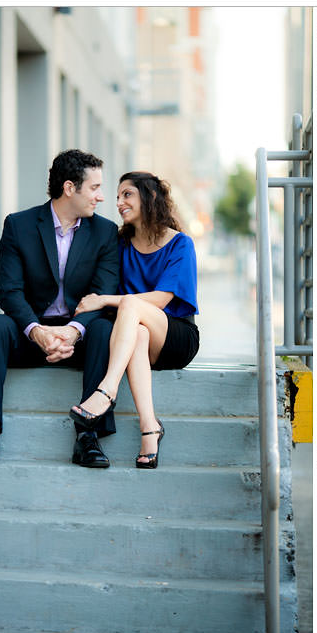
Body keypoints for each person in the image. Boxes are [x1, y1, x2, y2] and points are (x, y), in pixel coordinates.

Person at [0, 149, 119, 469]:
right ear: (69, 188)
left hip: (78, 335)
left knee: (105, 328)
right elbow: (8, 290)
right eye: (94, 188)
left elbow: (103, 292)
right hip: (30, 330)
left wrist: (72, 331)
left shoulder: (105, 232)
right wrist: (36, 331)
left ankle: (87, 437)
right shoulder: (19, 225)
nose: (102, 197)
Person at [68, 171, 199, 469]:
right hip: (136, 337)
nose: (118, 202)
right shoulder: (120, 244)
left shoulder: (180, 244)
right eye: (117, 197)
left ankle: (107, 390)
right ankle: (150, 428)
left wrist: (104, 299)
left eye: (127, 194)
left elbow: (163, 299)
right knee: (137, 332)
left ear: (150, 198)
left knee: (131, 304)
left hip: (175, 335)